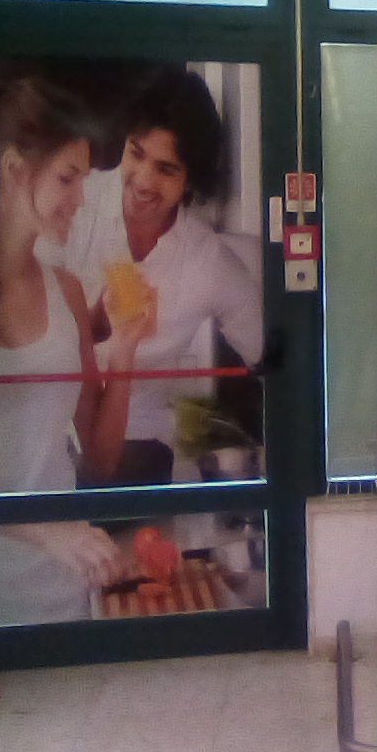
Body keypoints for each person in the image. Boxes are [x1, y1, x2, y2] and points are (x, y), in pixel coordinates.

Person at [0, 74, 156, 625]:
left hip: (66, 598)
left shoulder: (67, 293)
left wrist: (125, 349)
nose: (80, 199)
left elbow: (100, 459)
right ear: (15, 169)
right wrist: (49, 531)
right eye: (68, 177)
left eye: (83, 179)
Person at [64, 66, 262, 485]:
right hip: (50, 441)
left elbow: (273, 357)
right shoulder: (73, 204)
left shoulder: (207, 260)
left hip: (142, 458)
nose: (143, 182)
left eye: (166, 169)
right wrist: (91, 322)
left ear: (192, 180)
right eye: (136, 154)